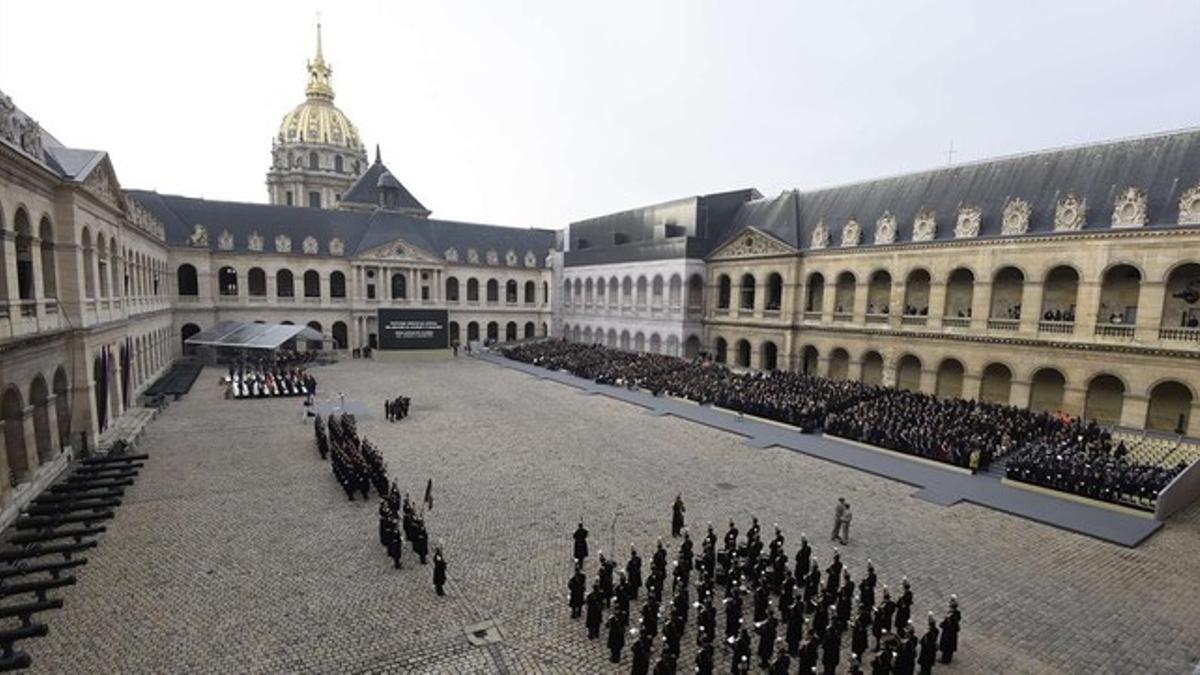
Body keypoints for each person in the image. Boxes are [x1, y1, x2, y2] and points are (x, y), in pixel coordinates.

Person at [939, 595, 961, 664]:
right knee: (948, 646)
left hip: (949, 633)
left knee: (947, 646)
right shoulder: (956, 613)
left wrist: (946, 622)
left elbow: (950, 625)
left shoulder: (952, 616)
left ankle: (945, 659)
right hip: (951, 633)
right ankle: (947, 658)